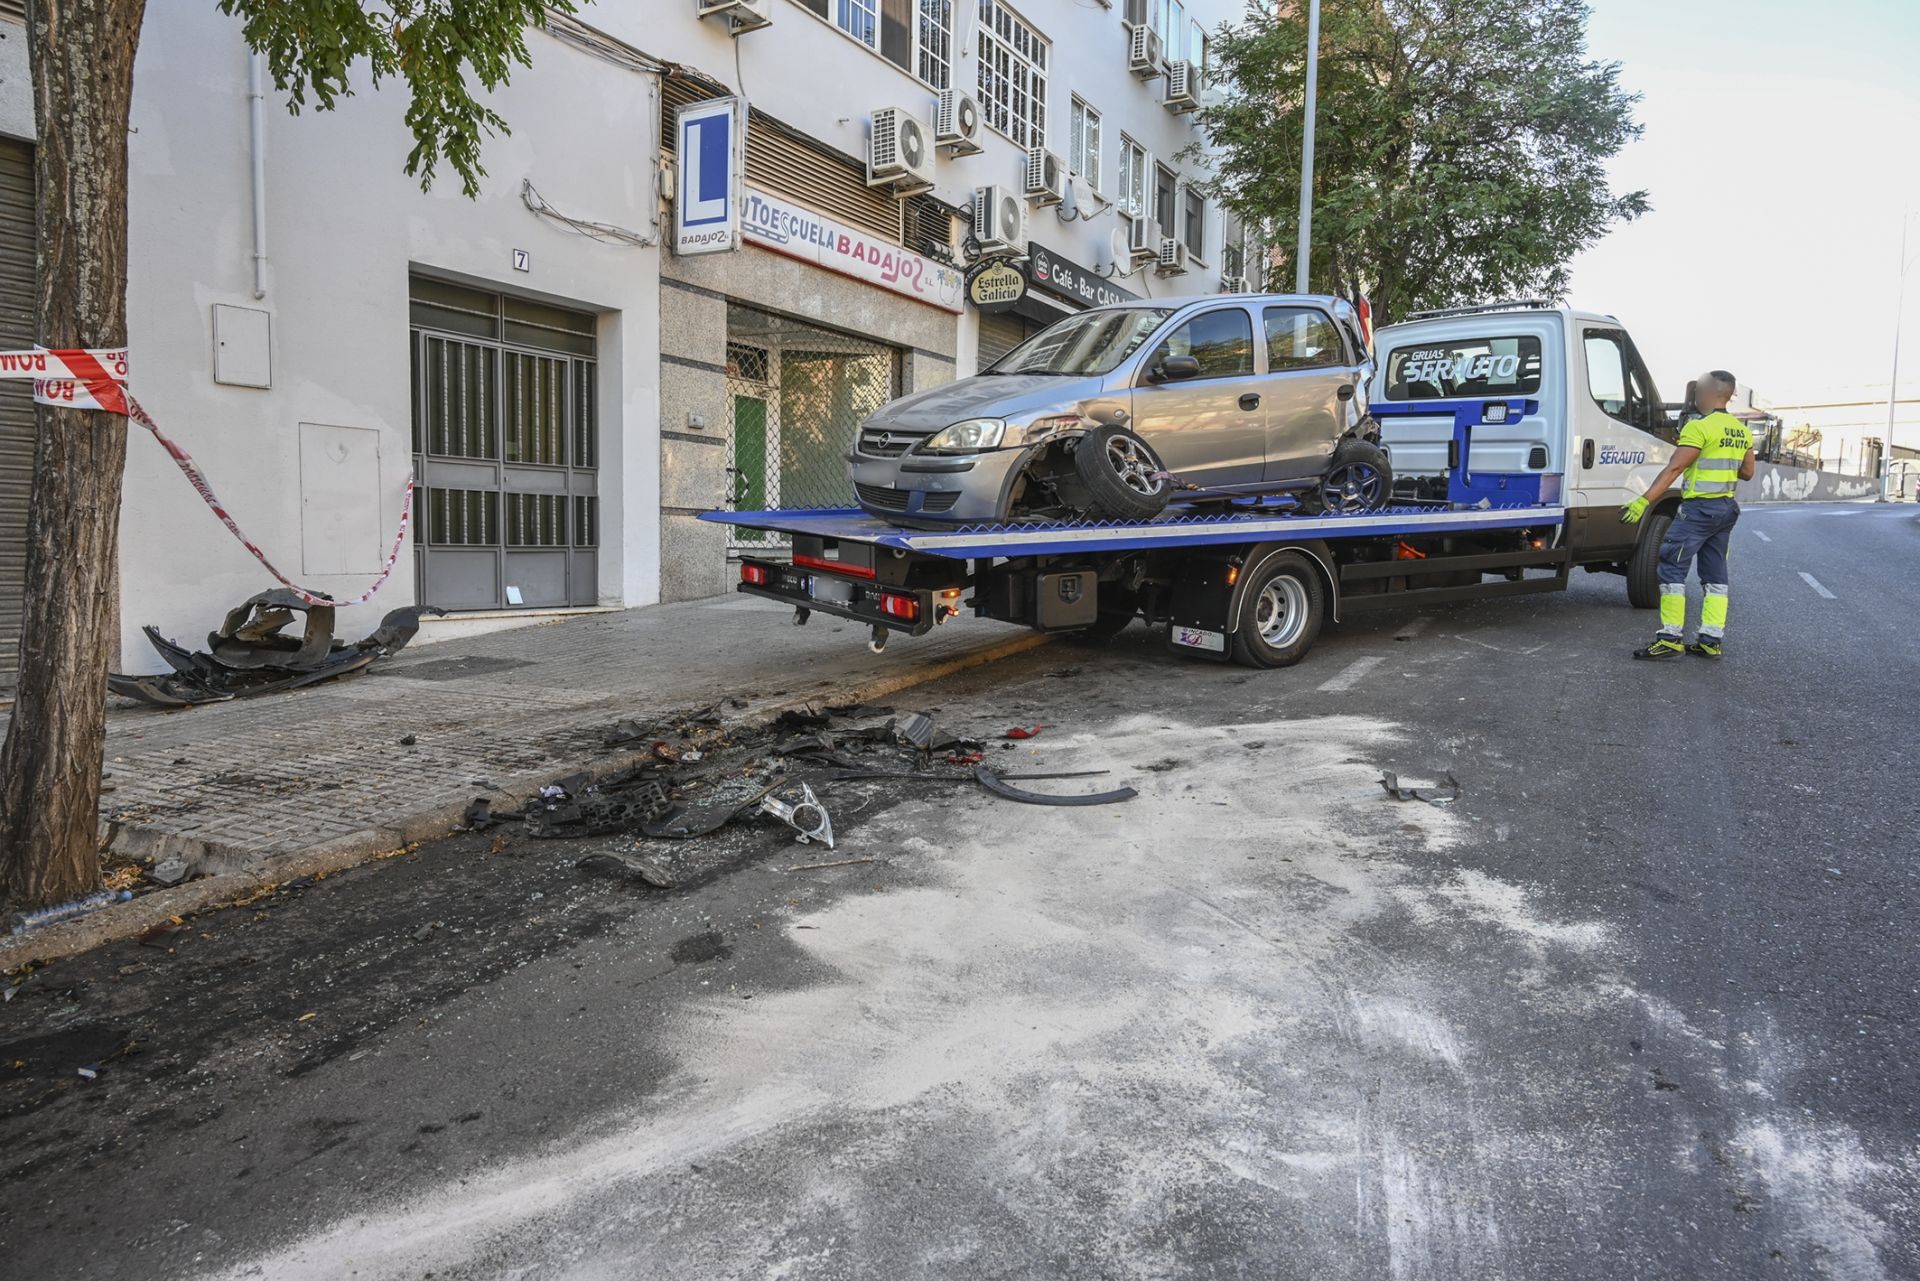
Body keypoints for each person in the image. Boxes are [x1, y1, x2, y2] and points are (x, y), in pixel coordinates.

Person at [1619, 369, 1757, 660]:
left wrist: (1644, 501)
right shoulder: (1741, 431)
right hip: (1725, 509)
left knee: (1671, 566)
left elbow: (1675, 468)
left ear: (1708, 393)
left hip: (1698, 511)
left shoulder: (1698, 428)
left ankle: (1670, 639)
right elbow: (1747, 472)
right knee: (1715, 575)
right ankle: (1711, 639)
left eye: (1698, 391)